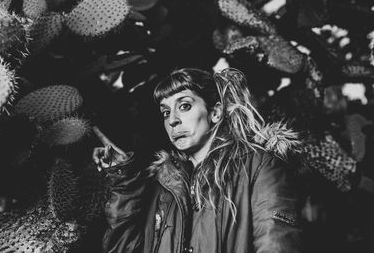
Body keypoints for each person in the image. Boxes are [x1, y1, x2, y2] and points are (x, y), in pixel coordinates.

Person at [93, 68, 305, 253]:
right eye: (165, 112)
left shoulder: (258, 166)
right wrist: (124, 182)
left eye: (184, 106)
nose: (172, 120)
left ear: (215, 112)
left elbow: (276, 243)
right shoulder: (164, 184)